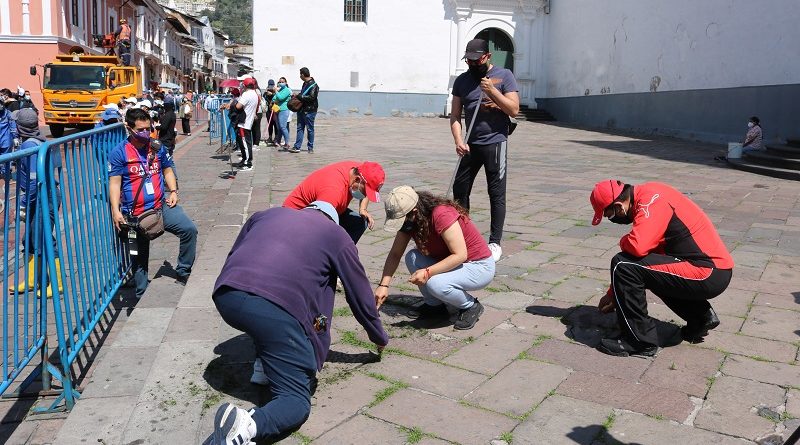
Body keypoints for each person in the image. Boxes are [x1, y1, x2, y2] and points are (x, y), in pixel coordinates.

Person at [208, 201, 388, 445]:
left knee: (265, 324)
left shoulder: (265, 214)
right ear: (332, 220)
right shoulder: (336, 234)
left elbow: (235, 254)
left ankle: (264, 365)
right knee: (295, 400)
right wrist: (378, 335)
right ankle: (246, 426)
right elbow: (359, 294)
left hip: (226, 295)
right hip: (273, 308)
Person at [590, 179, 734, 357]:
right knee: (647, 270)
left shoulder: (651, 201)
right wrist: (613, 293)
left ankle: (639, 341)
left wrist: (623, 241)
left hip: (707, 272)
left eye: (609, 215)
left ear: (619, 207)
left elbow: (638, 246)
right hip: (711, 270)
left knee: (622, 264)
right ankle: (700, 317)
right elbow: (647, 258)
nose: (611, 220)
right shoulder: (649, 194)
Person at [375, 186, 494, 330]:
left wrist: (428, 272)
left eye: (401, 220)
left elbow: (460, 255)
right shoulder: (410, 221)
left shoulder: (441, 214)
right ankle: (435, 305)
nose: (401, 225)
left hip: (478, 266)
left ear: (414, 212)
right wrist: (383, 285)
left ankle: (470, 306)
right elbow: (395, 254)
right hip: (453, 262)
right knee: (412, 257)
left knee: (435, 284)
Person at [108, 108, 197, 297]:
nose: (146, 133)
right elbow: (114, 183)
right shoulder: (119, 152)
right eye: (140, 130)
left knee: (189, 229)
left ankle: (183, 270)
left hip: (160, 206)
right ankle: (141, 294)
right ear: (129, 128)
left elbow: (167, 169)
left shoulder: (156, 147)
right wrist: (116, 211)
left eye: (148, 129)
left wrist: (173, 191)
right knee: (139, 258)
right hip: (135, 214)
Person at [450, 38, 520, 262]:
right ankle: (463, 235)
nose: (472, 64)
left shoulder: (504, 75)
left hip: (495, 142)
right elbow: (455, 116)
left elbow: (514, 109)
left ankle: (495, 242)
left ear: (487, 56)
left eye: (476, 60)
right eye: (468, 60)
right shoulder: (462, 81)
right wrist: (458, 140)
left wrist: (492, 91)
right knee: (460, 191)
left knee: (496, 193)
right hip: (470, 144)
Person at [8, 108, 62, 297]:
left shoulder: (29, 146)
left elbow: (34, 180)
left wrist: (24, 202)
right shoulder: (40, 140)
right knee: (30, 238)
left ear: (19, 127)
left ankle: (57, 283)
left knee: (45, 238)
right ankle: (33, 279)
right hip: (41, 194)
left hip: (41, 196)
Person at [283, 160, 385, 244]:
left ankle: (343, 254)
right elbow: (318, 228)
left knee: (360, 222)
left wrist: (363, 209)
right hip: (296, 218)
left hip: (328, 209)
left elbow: (367, 187)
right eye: (365, 192)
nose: (364, 195)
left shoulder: (358, 170)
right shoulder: (333, 191)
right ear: (357, 180)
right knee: (327, 241)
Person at [290, 67, 319, 154]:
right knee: (299, 128)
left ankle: (310, 147)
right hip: (301, 109)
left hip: (310, 110)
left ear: (302, 74)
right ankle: (297, 146)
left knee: (310, 129)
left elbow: (312, 97)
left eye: (300, 74)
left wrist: (299, 96)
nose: (300, 76)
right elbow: (303, 94)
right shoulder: (304, 84)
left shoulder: (314, 85)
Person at [234, 78, 259, 170]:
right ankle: (245, 159)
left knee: (245, 143)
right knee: (245, 141)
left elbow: (238, 106)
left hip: (244, 122)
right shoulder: (255, 94)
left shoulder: (246, 94)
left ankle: (248, 162)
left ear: (244, 85)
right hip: (249, 121)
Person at [0, 98, 19, 176]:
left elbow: (13, 126)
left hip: (5, 140)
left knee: (6, 158)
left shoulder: (8, 114)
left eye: (1, 103)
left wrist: (15, 137)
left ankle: (6, 173)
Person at [273, 77, 292, 150]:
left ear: (286, 83)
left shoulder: (287, 90)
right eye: (279, 82)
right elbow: (274, 98)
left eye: (282, 82)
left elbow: (280, 98)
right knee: (279, 127)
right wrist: (276, 94)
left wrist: (276, 92)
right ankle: (278, 141)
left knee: (283, 127)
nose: (281, 83)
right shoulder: (280, 90)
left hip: (284, 110)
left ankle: (287, 143)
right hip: (277, 109)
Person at [264, 79, 279, 146]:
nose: (271, 87)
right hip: (269, 111)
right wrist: (266, 93)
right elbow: (264, 99)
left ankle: (276, 137)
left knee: (276, 124)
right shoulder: (266, 92)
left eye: (272, 86)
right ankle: (270, 137)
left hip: (275, 110)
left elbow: (278, 98)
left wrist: (273, 93)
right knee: (270, 124)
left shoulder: (276, 91)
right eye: (270, 86)